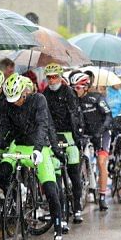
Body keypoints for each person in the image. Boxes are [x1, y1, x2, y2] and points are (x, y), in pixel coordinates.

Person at [0, 73, 63, 240]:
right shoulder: (8, 103)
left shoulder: (39, 100)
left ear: (24, 93)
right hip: (19, 145)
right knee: (2, 172)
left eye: (17, 99)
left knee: (51, 189)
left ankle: (58, 229)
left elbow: (43, 124)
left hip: (38, 146)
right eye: (11, 100)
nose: (14, 103)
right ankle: (15, 197)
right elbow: (3, 125)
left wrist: (38, 149)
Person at [42, 63, 84, 223]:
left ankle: (78, 205)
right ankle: (61, 209)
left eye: (54, 77)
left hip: (68, 135)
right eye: (49, 78)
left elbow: (75, 116)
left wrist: (77, 138)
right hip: (52, 136)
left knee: (74, 171)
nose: (52, 80)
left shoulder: (69, 92)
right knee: (55, 176)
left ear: (60, 77)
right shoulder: (44, 94)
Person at [69, 71, 112, 211]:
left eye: (77, 88)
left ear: (86, 87)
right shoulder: (74, 100)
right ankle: (86, 183)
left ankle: (102, 196)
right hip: (85, 135)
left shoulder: (96, 98)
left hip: (101, 134)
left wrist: (100, 131)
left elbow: (108, 116)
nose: (75, 91)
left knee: (100, 162)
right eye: (73, 87)